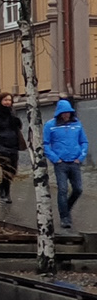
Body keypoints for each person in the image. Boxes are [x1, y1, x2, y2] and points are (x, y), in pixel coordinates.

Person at [43, 98, 87, 232]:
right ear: (59, 113)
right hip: (60, 163)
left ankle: (66, 208)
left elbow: (84, 142)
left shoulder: (77, 124)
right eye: (64, 112)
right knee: (62, 190)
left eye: (68, 112)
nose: (67, 115)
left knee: (78, 189)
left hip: (74, 162)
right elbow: (45, 144)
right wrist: (55, 159)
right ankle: (64, 218)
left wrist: (81, 157)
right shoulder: (50, 125)